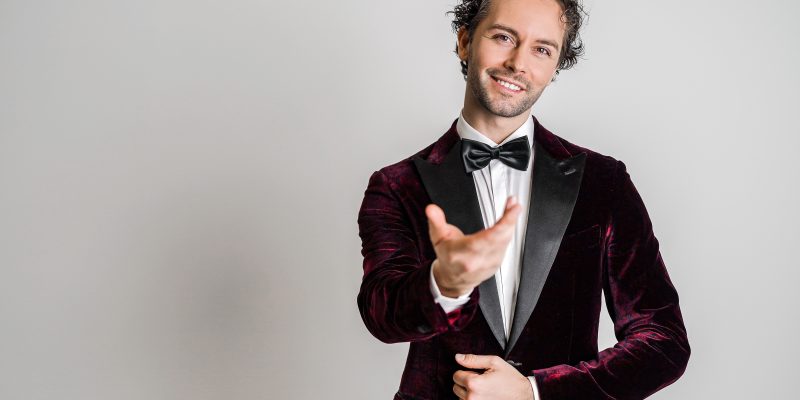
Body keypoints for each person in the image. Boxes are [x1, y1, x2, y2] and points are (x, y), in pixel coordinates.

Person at [356, 0, 690, 398]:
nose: (518, 63)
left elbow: (663, 340)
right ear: (465, 42)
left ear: (556, 65)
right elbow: (382, 316)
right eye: (503, 37)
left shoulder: (605, 182)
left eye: (542, 49)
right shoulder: (396, 185)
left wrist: (534, 392)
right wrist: (446, 282)